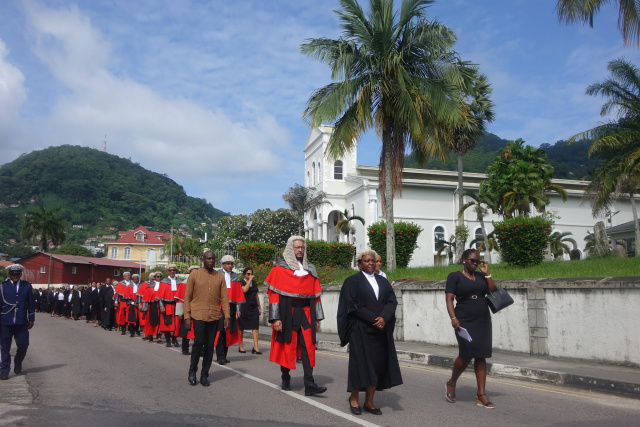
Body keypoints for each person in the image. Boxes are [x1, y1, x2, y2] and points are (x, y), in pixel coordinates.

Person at [337, 250, 402, 416]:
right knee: (360, 365)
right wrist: (375, 319)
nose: (371, 263)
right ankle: (354, 398)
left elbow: (391, 300)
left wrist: (384, 318)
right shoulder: (352, 281)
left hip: (380, 331)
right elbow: (352, 305)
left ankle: (369, 401)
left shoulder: (383, 281)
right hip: (361, 330)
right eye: (367, 261)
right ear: (359, 264)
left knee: (378, 366)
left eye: (373, 261)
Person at [266, 236, 326, 396]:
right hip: (287, 312)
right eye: (296, 247)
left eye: (302, 247)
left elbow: (316, 295)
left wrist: (317, 318)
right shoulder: (279, 269)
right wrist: (276, 318)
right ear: (290, 249)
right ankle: (285, 377)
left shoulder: (310, 269)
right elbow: (273, 296)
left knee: (309, 347)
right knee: (287, 346)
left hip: (306, 313)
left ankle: (309, 384)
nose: (300, 250)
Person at [445, 248, 498, 409]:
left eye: (478, 261)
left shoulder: (481, 276)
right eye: (472, 261)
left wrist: (487, 273)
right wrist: (453, 318)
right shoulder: (454, 276)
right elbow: (449, 299)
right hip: (463, 319)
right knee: (466, 354)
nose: (475, 263)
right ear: (464, 260)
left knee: (481, 355)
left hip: (482, 319)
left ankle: (481, 394)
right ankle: (452, 382)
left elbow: (493, 291)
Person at [183, 251, 230, 387]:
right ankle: (192, 372)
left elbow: (225, 298)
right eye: (208, 258)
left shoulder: (219, 277)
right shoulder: (195, 275)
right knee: (198, 344)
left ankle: (205, 375)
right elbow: (187, 297)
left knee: (210, 346)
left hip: (215, 316)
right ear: (202, 259)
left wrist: (227, 316)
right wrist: (187, 316)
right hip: (198, 315)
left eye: (213, 259)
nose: (211, 261)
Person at [0, 264, 35, 380]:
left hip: (21, 321)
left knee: (23, 344)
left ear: (20, 274)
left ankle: (18, 361)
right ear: (9, 275)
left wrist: (31, 318)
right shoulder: (2, 287)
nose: (15, 276)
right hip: (5, 321)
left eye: (17, 274)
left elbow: (31, 303)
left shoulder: (27, 286)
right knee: (5, 347)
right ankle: (4, 369)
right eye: (13, 274)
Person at [215, 255, 244, 364]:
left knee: (228, 332)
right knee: (221, 331)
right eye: (227, 263)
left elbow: (238, 295)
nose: (230, 266)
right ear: (222, 264)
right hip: (219, 307)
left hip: (231, 307)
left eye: (231, 264)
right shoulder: (217, 275)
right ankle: (220, 356)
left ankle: (224, 355)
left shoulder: (235, 277)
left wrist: (238, 309)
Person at [174, 266, 199, 355]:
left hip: (198, 310)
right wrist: (179, 312)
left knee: (199, 331)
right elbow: (180, 299)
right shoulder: (184, 284)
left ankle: (199, 350)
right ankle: (185, 348)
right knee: (186, 331)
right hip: (187, 310)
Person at [238, 267, 262, 354]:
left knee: (255, 326)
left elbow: (256, 295)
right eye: (248, 274)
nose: (250, 275)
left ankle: (255, 347)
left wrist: (259, 307)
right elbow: (244, 290)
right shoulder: (241, 282)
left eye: (251, 273)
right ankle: (241, 346)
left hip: (253, 307)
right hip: (244, 307)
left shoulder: (254, 283)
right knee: (241, 327)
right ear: (245, 274)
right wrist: (249, 281)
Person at [158, 265, 180, 347]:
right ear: (168, 271)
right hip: (166, 306)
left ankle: (174, 339)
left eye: (174, 270)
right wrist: (161, 306)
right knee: (167, 324)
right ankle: (168, 341)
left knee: (176, 324)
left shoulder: (179, 281)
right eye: (170, 270)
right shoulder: (163, 282)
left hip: (176, 305)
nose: (172, 271)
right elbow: (160, 296)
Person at [140, 272, 162, 343]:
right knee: (150, 322)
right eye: (157, 277)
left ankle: (159, 337)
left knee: (160, 322)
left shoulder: (162, 285)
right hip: (151, 306)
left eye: (160, 276)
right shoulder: (149, 287)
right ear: (154, 277)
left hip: (160, 306)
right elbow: (146, 299)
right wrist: (144, 308)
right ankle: (151, 337)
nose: (159, 278)